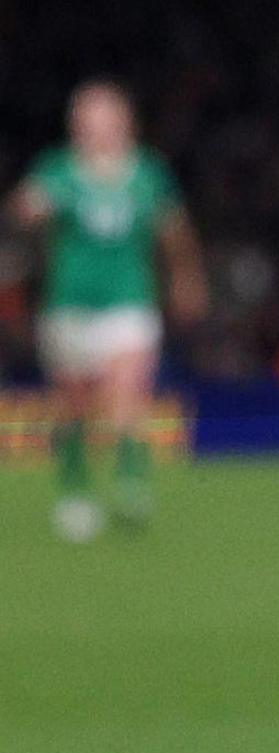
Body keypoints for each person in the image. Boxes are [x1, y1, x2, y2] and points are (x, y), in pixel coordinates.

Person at [13, 81, 206, 542]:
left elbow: (174, 232)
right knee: (74, 405)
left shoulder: (148, 174)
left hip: (129, 300)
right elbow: (25, 208)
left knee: (127, 391)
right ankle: (76, 489)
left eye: (105, 118)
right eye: (87, 119)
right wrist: (30, 209)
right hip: (69, 304)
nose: (97, 128)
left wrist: (186, 278)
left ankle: (131, 478)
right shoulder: (59, 170)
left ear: (125, 123)